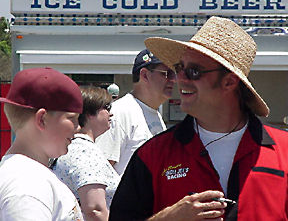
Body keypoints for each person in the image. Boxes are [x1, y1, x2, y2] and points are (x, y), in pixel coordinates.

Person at [109, 16, 288, 221]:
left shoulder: (284, 152)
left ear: (229, 82)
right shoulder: (152, 155)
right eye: (179, 68)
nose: (180, 78)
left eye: (194, 71)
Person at [0, 67, 84, 221]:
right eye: (71, 117)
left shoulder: (26, 174)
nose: (78, 127)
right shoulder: (27, 183)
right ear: (42, 119)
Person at [96, 49, 176, 175]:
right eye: (167, 74)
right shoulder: (119, 112)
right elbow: (100, 172)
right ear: (144, 75)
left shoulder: (155, 115)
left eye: (174, 74)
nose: (173, 80)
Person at [51, 86, 120, 221]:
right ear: (88, 113)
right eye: (106, 108)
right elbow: (95, 210)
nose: (110, 114)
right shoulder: (85, 152)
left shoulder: (74, 147)